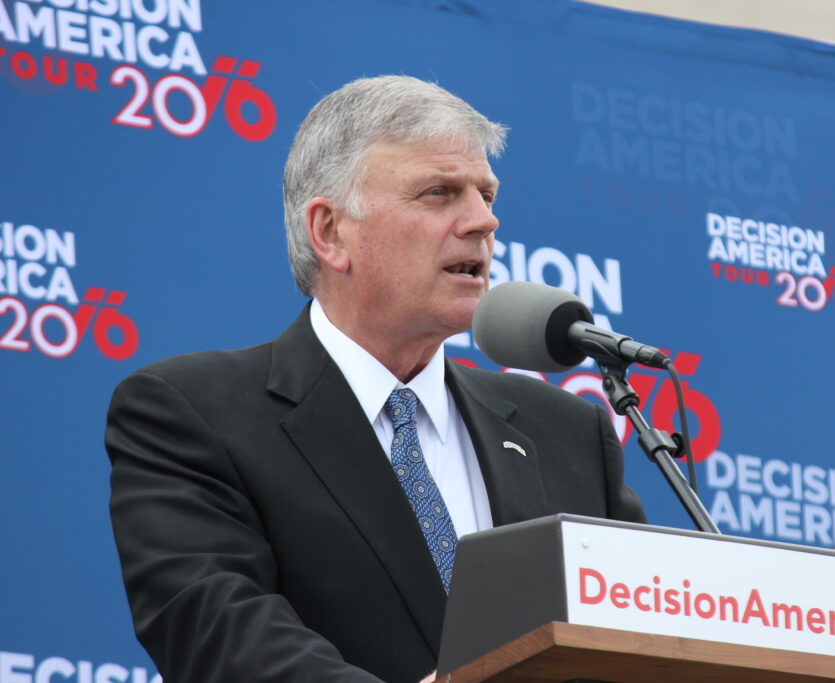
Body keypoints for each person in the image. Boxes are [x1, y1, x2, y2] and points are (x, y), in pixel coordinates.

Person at [106, 75, 646, 683]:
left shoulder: (565, 431)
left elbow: (641, 640)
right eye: (440, 193)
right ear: (330, 232)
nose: (483, 221)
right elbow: (217, 632)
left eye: (486, 195)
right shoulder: (193, 412)